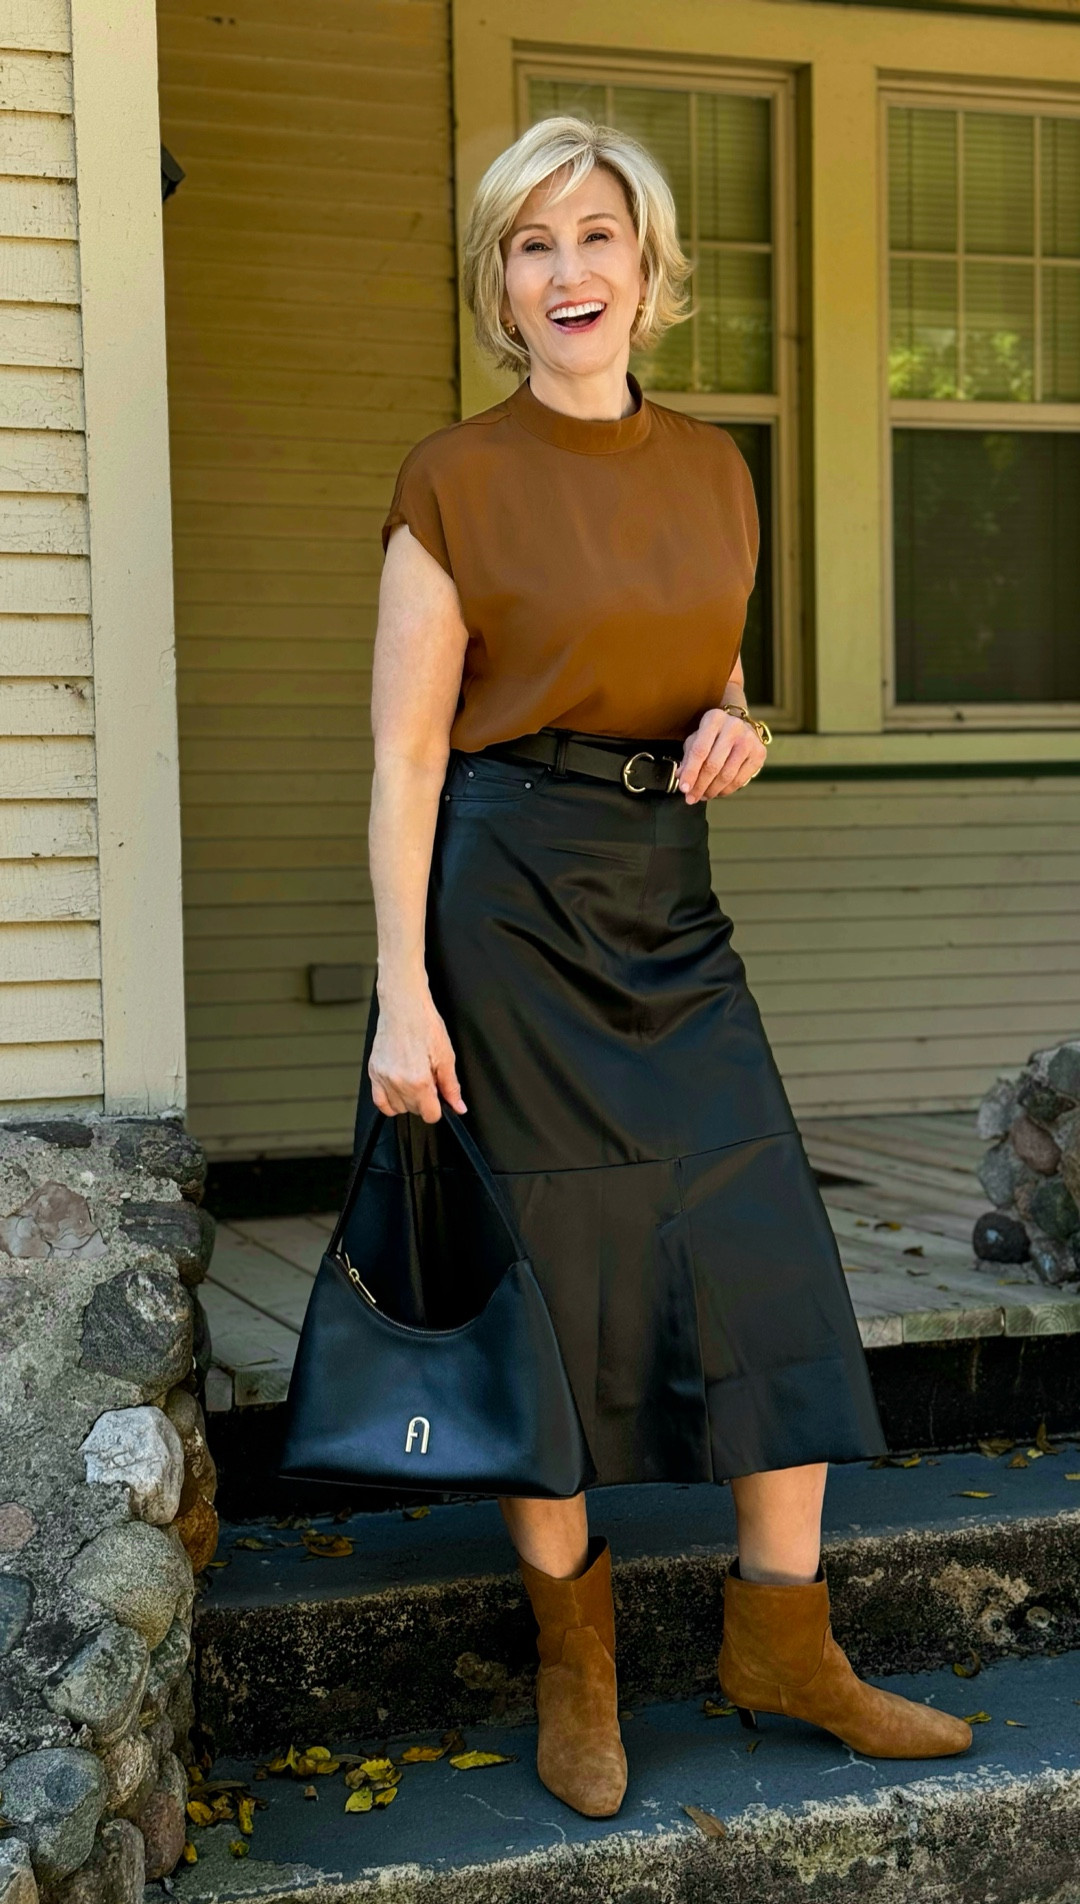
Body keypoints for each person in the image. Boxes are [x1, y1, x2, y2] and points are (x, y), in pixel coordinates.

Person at [359, 115, 971, 1818]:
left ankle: (786, 1643)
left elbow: (706, 685)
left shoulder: (716, 470)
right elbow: (410, 760)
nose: (570, 272)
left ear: (650, 270)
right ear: (500, 283)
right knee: (550, 1268)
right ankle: (580, 1666)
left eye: (597, 238)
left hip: (666, 893)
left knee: (757, 1233)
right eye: (532, 245)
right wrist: (402, 992)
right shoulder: (451, 480)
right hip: (505, 907)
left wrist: (741, 730)